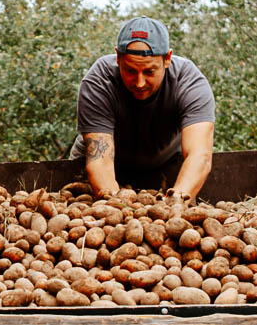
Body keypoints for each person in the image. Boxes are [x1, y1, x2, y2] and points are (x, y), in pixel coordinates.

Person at [70, 16, 215, 198]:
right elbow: (100, 162)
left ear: (167, 59)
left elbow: (199, 156)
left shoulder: (189, 83)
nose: (139, 83)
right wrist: (119, 210)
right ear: (118, 58)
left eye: (149, 72)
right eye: (130, 70)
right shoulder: (99, 81)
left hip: (164, 162)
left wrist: (175, 203)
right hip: (102, 169)